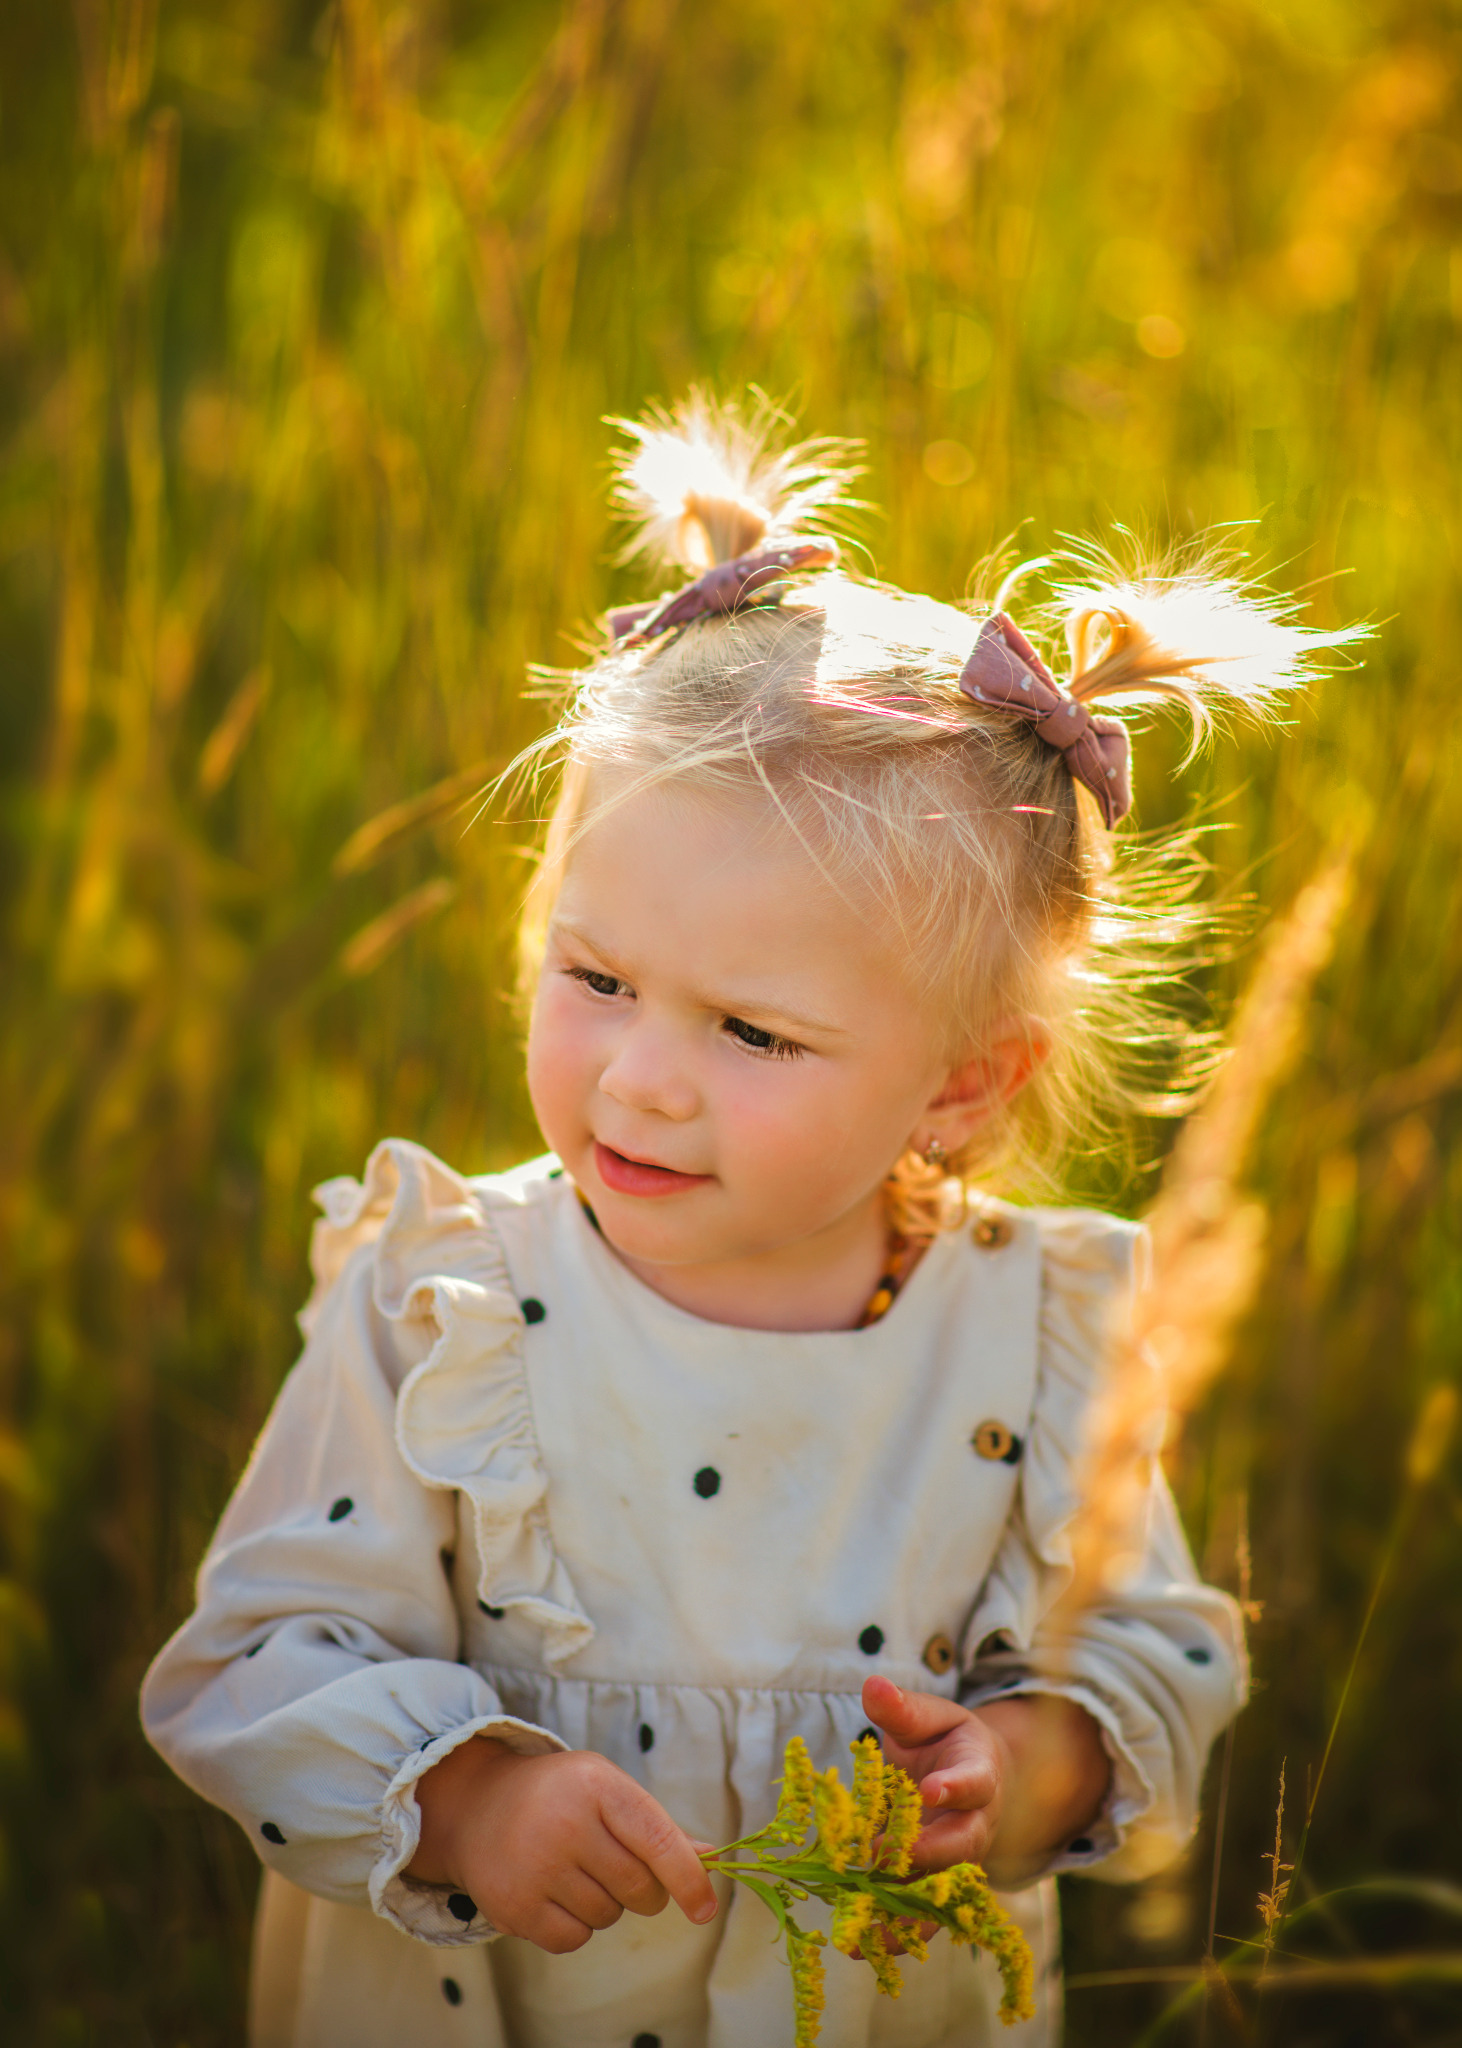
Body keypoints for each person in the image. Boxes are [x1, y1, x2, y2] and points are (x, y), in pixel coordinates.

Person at [142, 393, 1340, 2048]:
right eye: (595, 978)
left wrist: (1029, 1763)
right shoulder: (447, 1303)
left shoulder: (1033, 1336)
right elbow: (255, 1659)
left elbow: (1152, 1647)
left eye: (753, 1034)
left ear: (963, 1085)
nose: (638, 1081)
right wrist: (469, 1800)